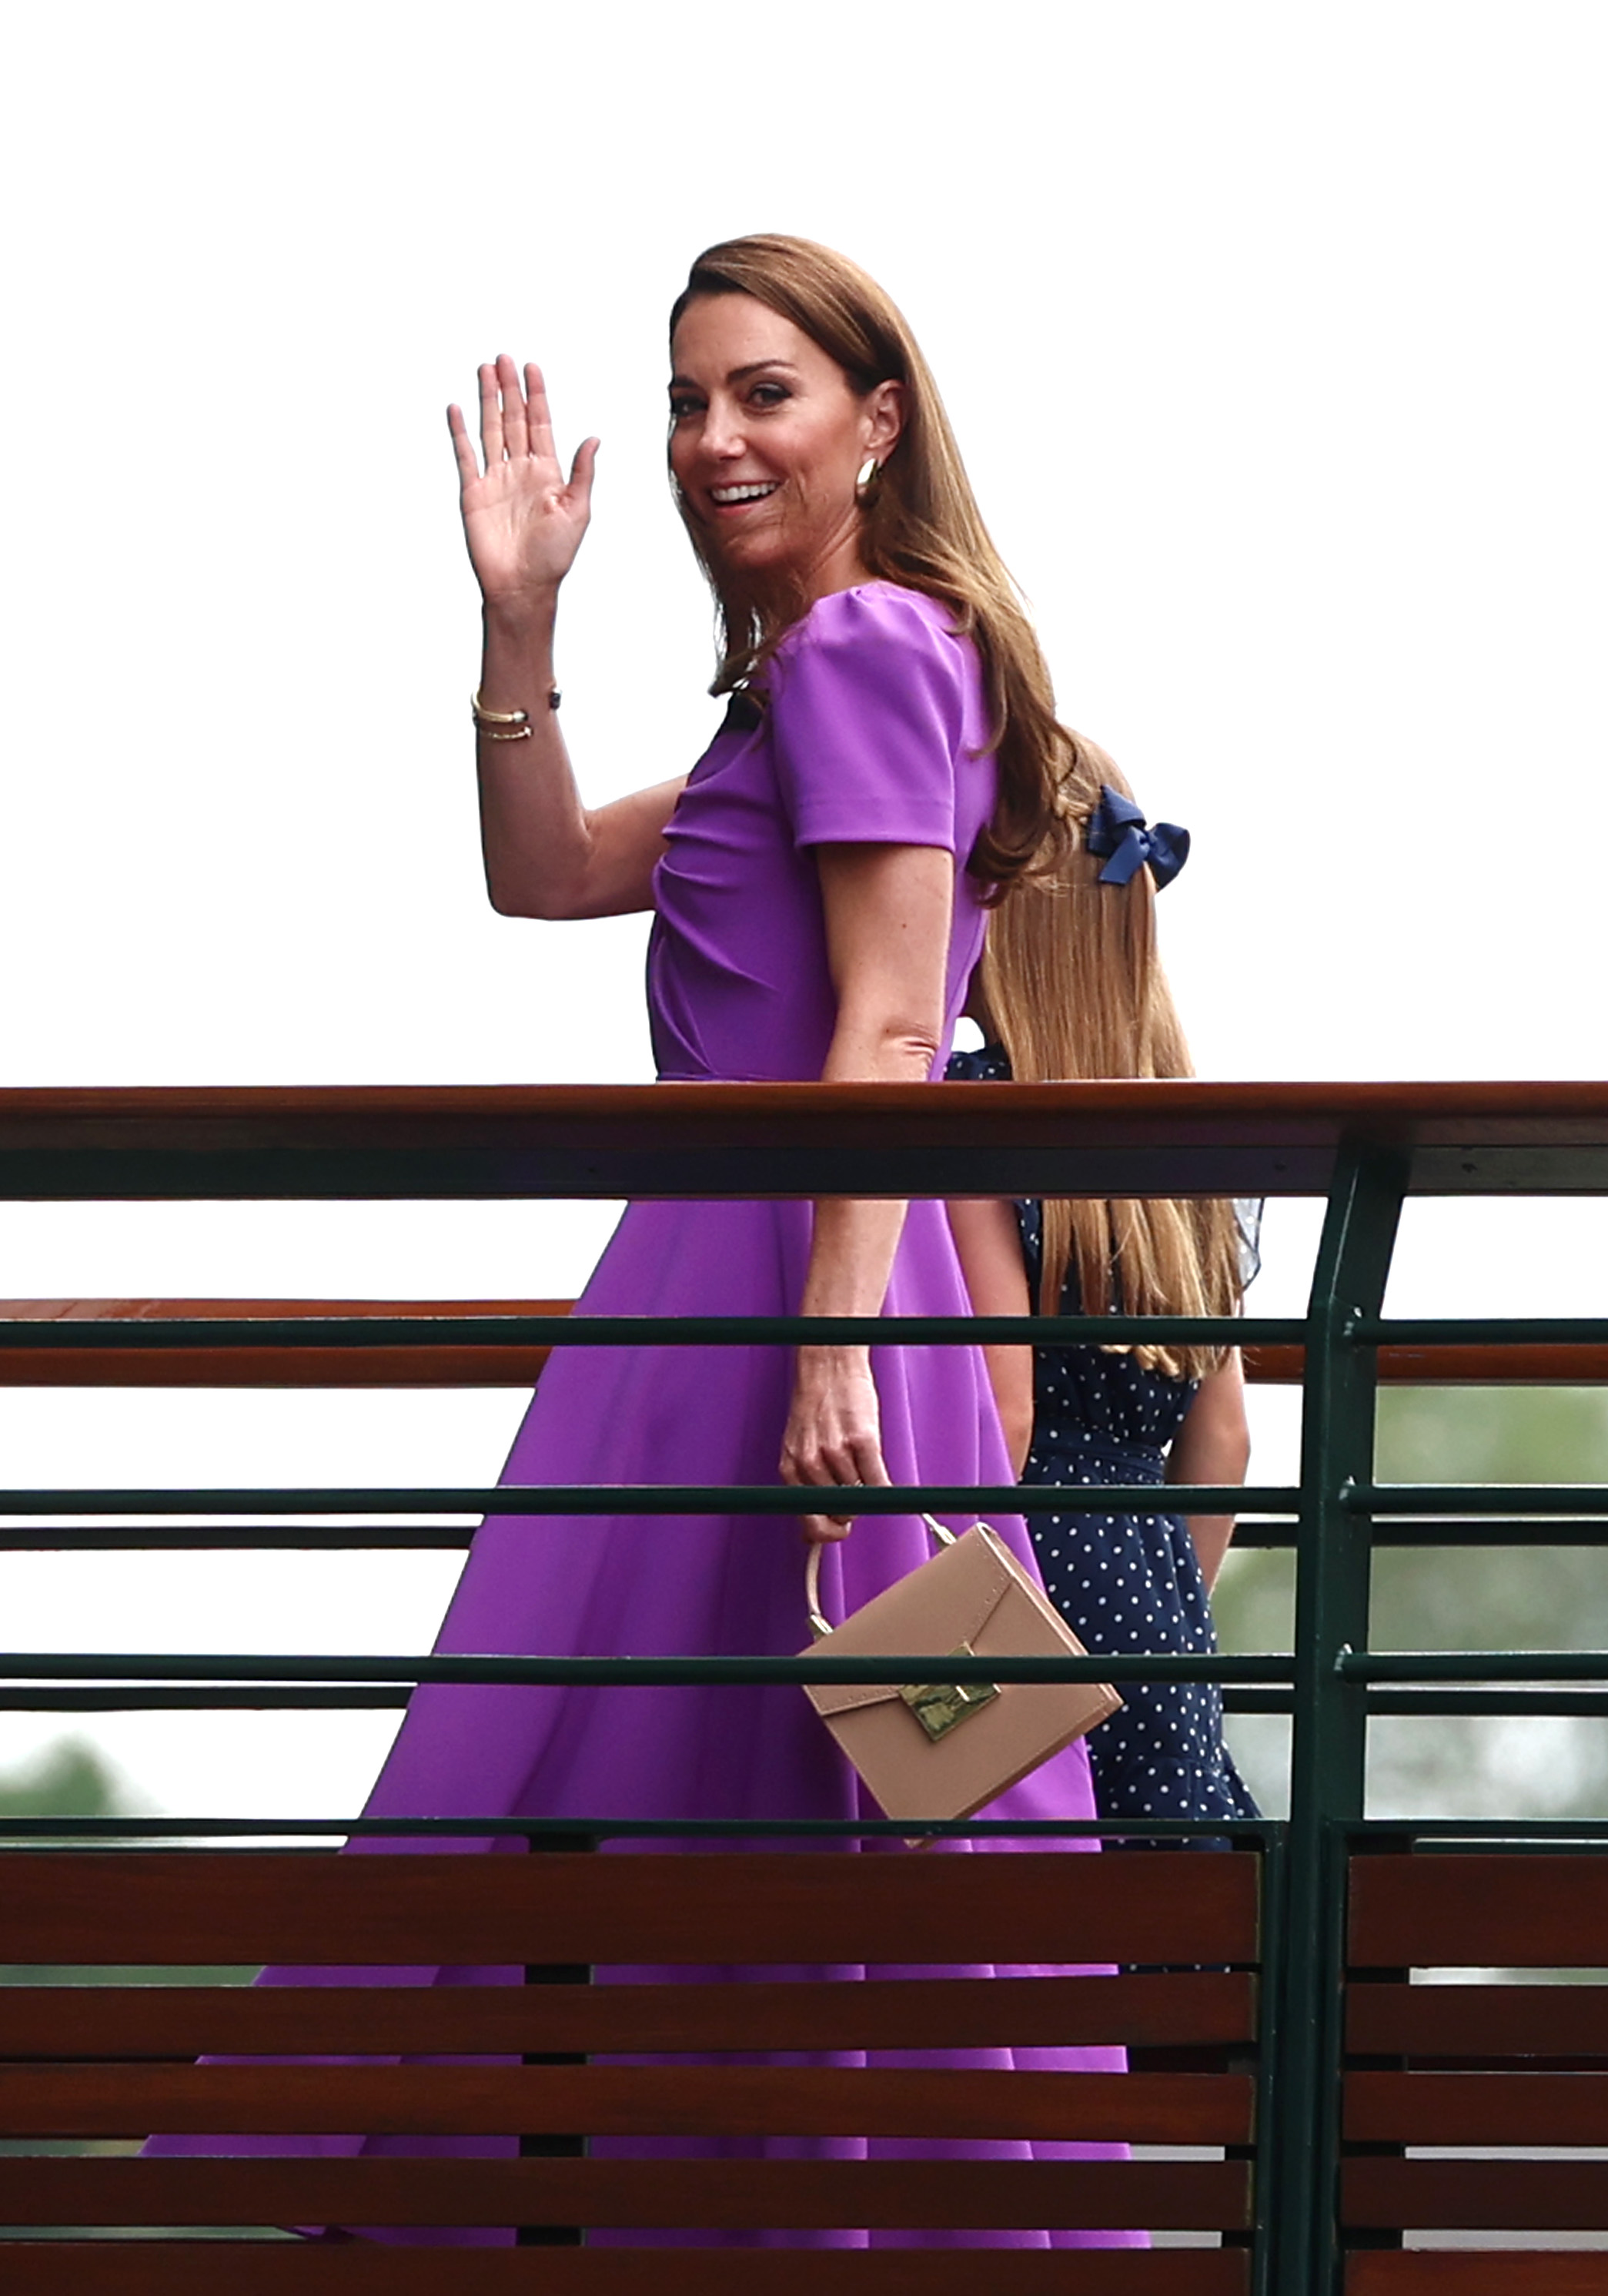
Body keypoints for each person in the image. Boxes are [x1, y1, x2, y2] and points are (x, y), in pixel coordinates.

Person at [147, 236, 1144, 2251]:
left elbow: (885, 1018)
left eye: (763, 392)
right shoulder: (807, 678)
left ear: (878, 422)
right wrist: (519, 624)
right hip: (733, 1293)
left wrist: (838, 1340)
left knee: (834, 1781)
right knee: (773, 1783)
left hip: (798, 1290)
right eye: (690, 398)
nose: (713, 437)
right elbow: (540, 876)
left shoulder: (872, 649)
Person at [946, 748, 1260, 1839]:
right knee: (1156, 1896)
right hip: (1154, 1589)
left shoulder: (975, 1114)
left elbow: (1004, 1407)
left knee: (1011, 1892)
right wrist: (1159, 1599)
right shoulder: (1181, 1145)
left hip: (1023, 1571)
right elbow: (1222, 1439)